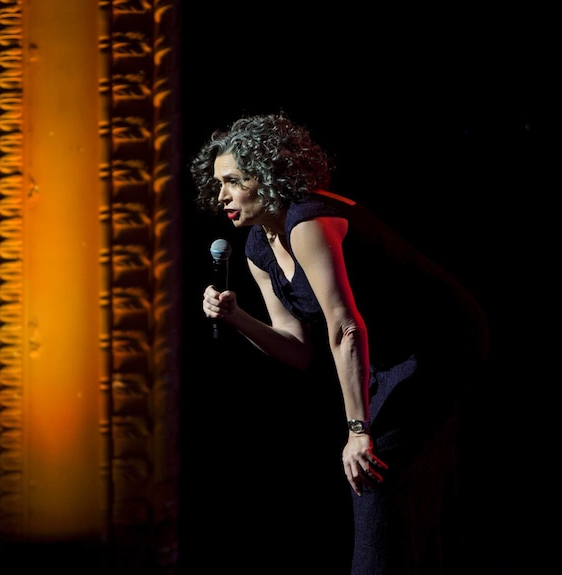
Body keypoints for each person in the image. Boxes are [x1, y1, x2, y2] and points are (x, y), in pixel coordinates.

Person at [191, 112, 489, 574]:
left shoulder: (308, 221)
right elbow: (298, 347)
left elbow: (345, 327)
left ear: (266, 176)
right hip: (384, 353)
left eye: (232, 181)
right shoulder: (257, 247)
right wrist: (237, 318)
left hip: (439, 340)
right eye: (217, 184)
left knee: (369, 467)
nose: (221, 195)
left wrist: (357, 431)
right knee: (396, 476)